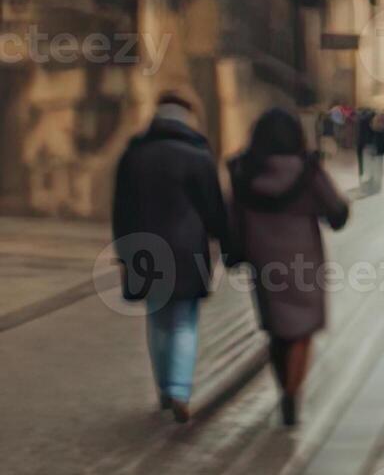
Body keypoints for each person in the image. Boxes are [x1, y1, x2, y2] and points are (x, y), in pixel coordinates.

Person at [111, 91, 231, 423]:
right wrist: (229, 243)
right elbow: (214, 210)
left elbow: (121, 210)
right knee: (184, 322)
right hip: (186, 251)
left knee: (158, 319)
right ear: (188, 116)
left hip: (145, 250)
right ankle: (179, 389)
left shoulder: (133, 155)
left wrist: (123, 253)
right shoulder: (198, 154)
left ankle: (164, 388)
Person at [225, 108, 350, 426]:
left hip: (263, 259)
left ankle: (284, 387)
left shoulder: (244, 171)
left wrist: (235, 249)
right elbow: (335, 210)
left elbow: (232, 216)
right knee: (301, 330)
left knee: (277, 331)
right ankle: (292, 395)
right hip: (303, 259)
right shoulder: (307, 171)